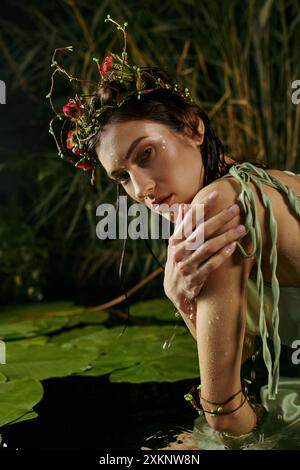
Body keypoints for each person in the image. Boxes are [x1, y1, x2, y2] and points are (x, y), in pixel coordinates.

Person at [49, 17, 300, 448]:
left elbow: (222, 415)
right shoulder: (273, 182)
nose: (142, 190)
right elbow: (238, 360)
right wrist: (180, 298)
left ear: (192, 127)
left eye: (146, 154)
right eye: (122, 178)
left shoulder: (217, 206)